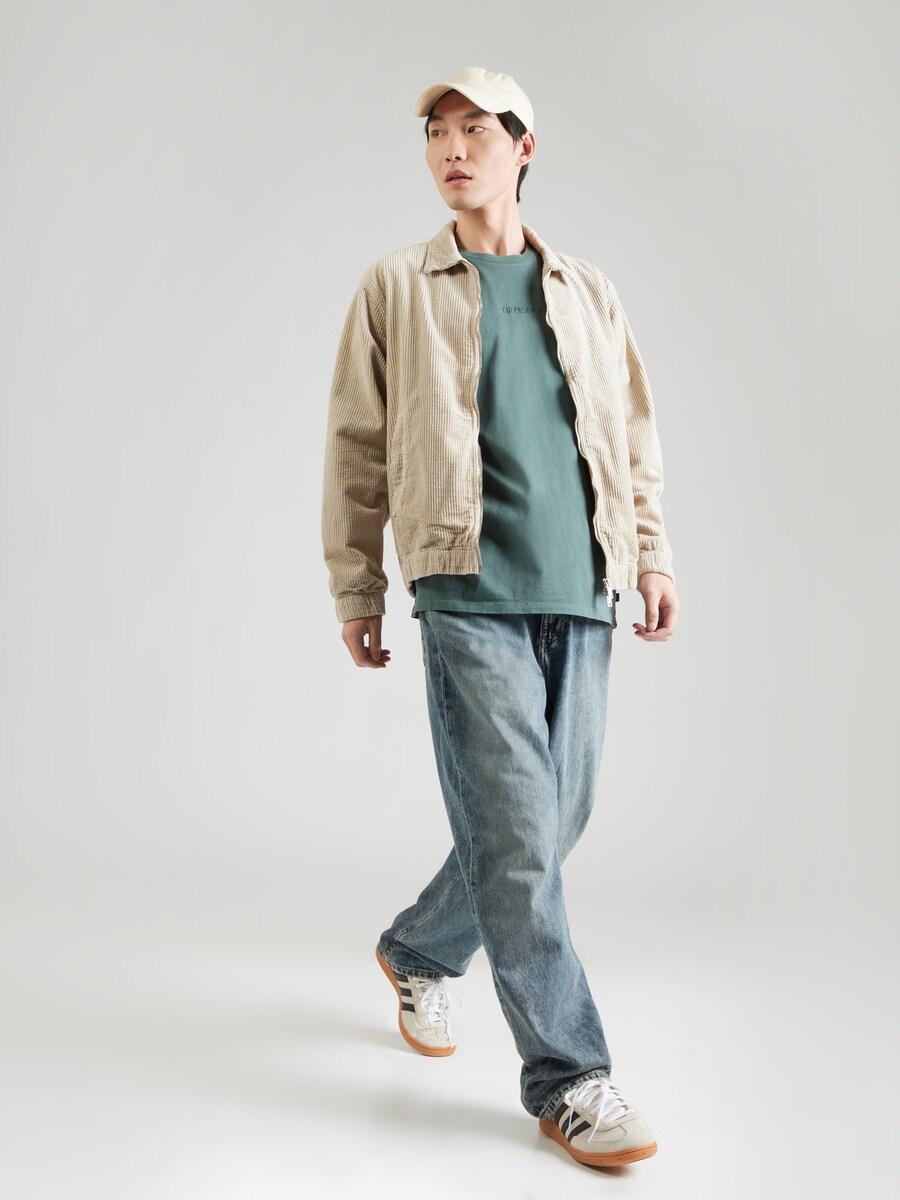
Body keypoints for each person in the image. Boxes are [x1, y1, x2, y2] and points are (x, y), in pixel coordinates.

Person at [320, 66, 679, 1169]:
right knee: (520, 838)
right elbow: (357, 445)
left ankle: (420, 950)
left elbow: (630, 435)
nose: (452, 150)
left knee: (554, 822)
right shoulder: (397, 285)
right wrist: (357, 585)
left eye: (476, 130)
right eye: (437, 133)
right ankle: (569, 1077)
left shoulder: (585, 288)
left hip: (582, 588)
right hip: (466, 589)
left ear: (525, 148)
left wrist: (651, 556)